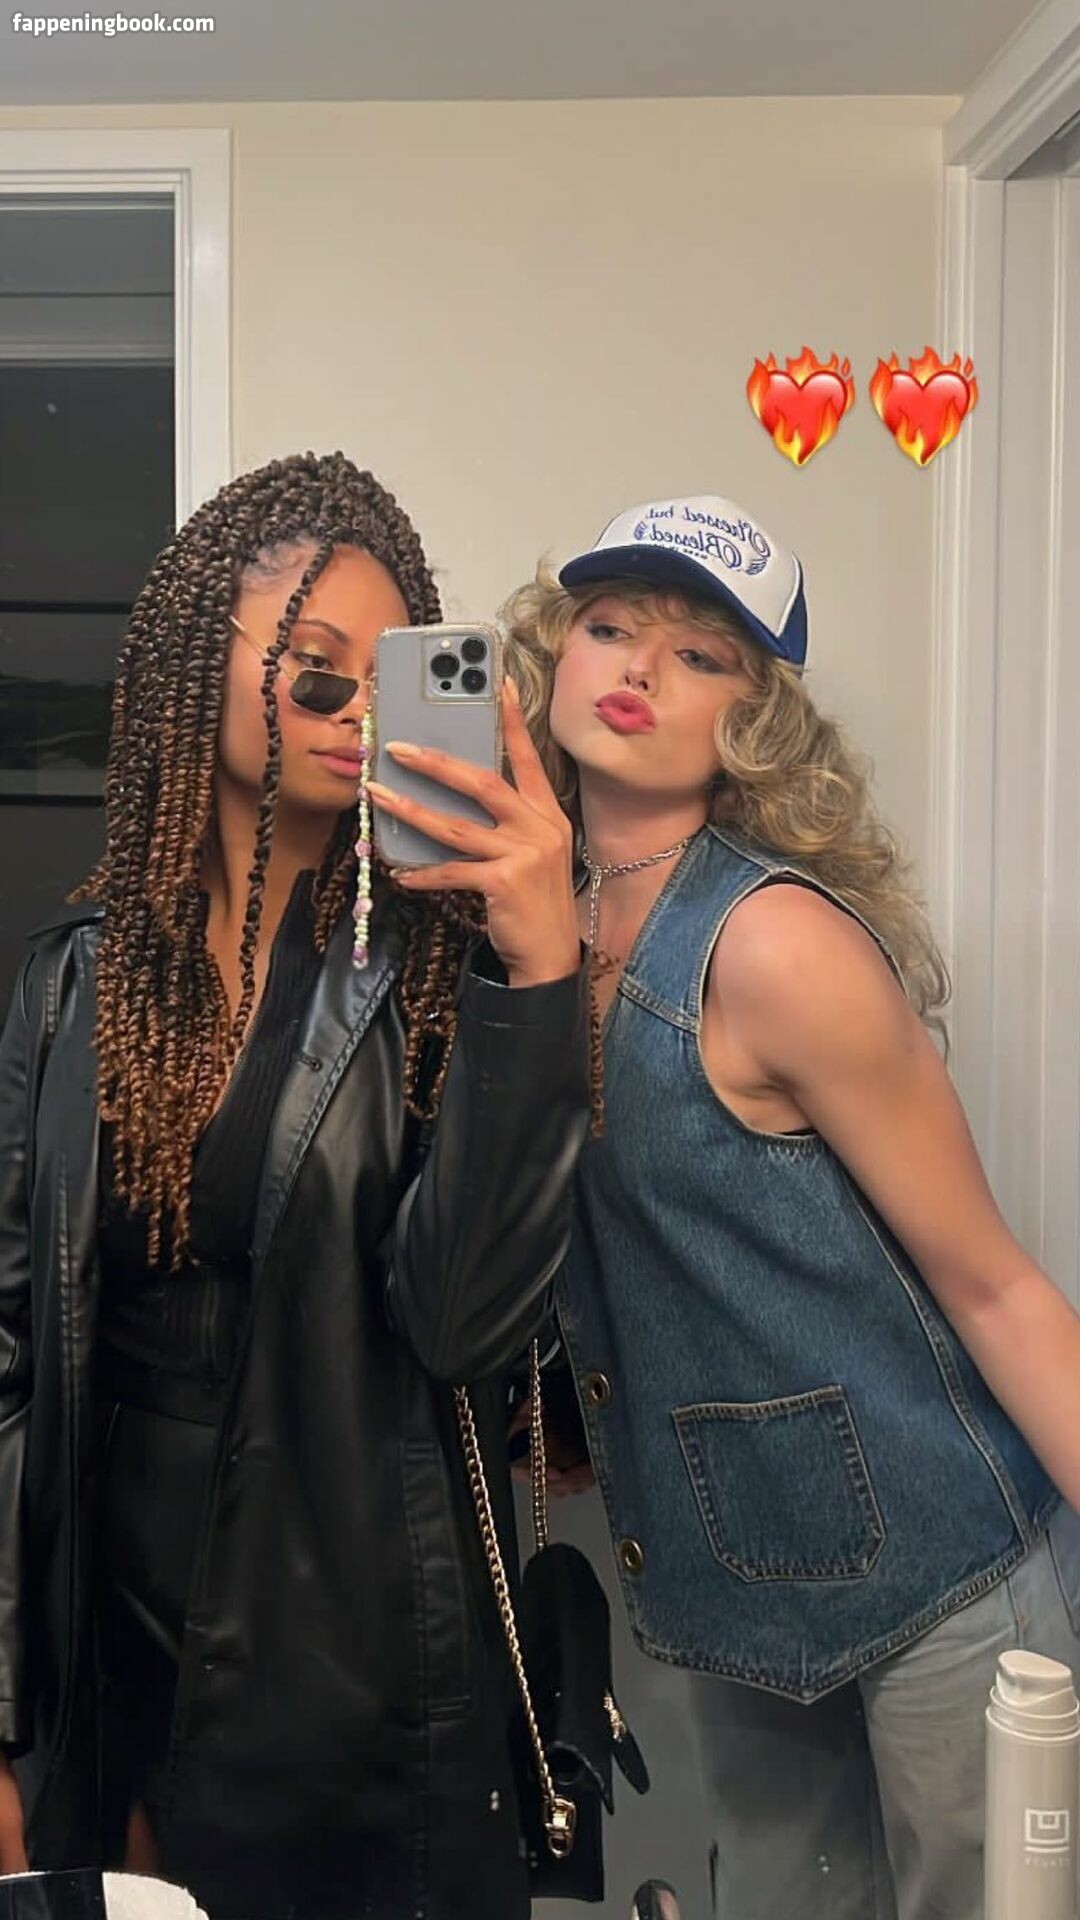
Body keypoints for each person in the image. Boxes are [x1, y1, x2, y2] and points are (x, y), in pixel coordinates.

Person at [0, 451, 594, 1920]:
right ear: (193, 670)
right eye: (316, 673)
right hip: (104, 1637)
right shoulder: (76, 988)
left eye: (387, 684)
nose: (354, 716)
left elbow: (463, 1325)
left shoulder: (443, 978)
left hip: (356, 1647)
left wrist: (540, 971)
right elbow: (10, 1359)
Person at [501, 493, 1080, 1920]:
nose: (640, 668)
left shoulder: (774, 942)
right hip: (740, 1572)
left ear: (753, 720)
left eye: (701, 655)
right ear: (554, 655)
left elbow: (995, 1285)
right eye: (611, 627)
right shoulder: (527, 921)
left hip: (945, 1569)